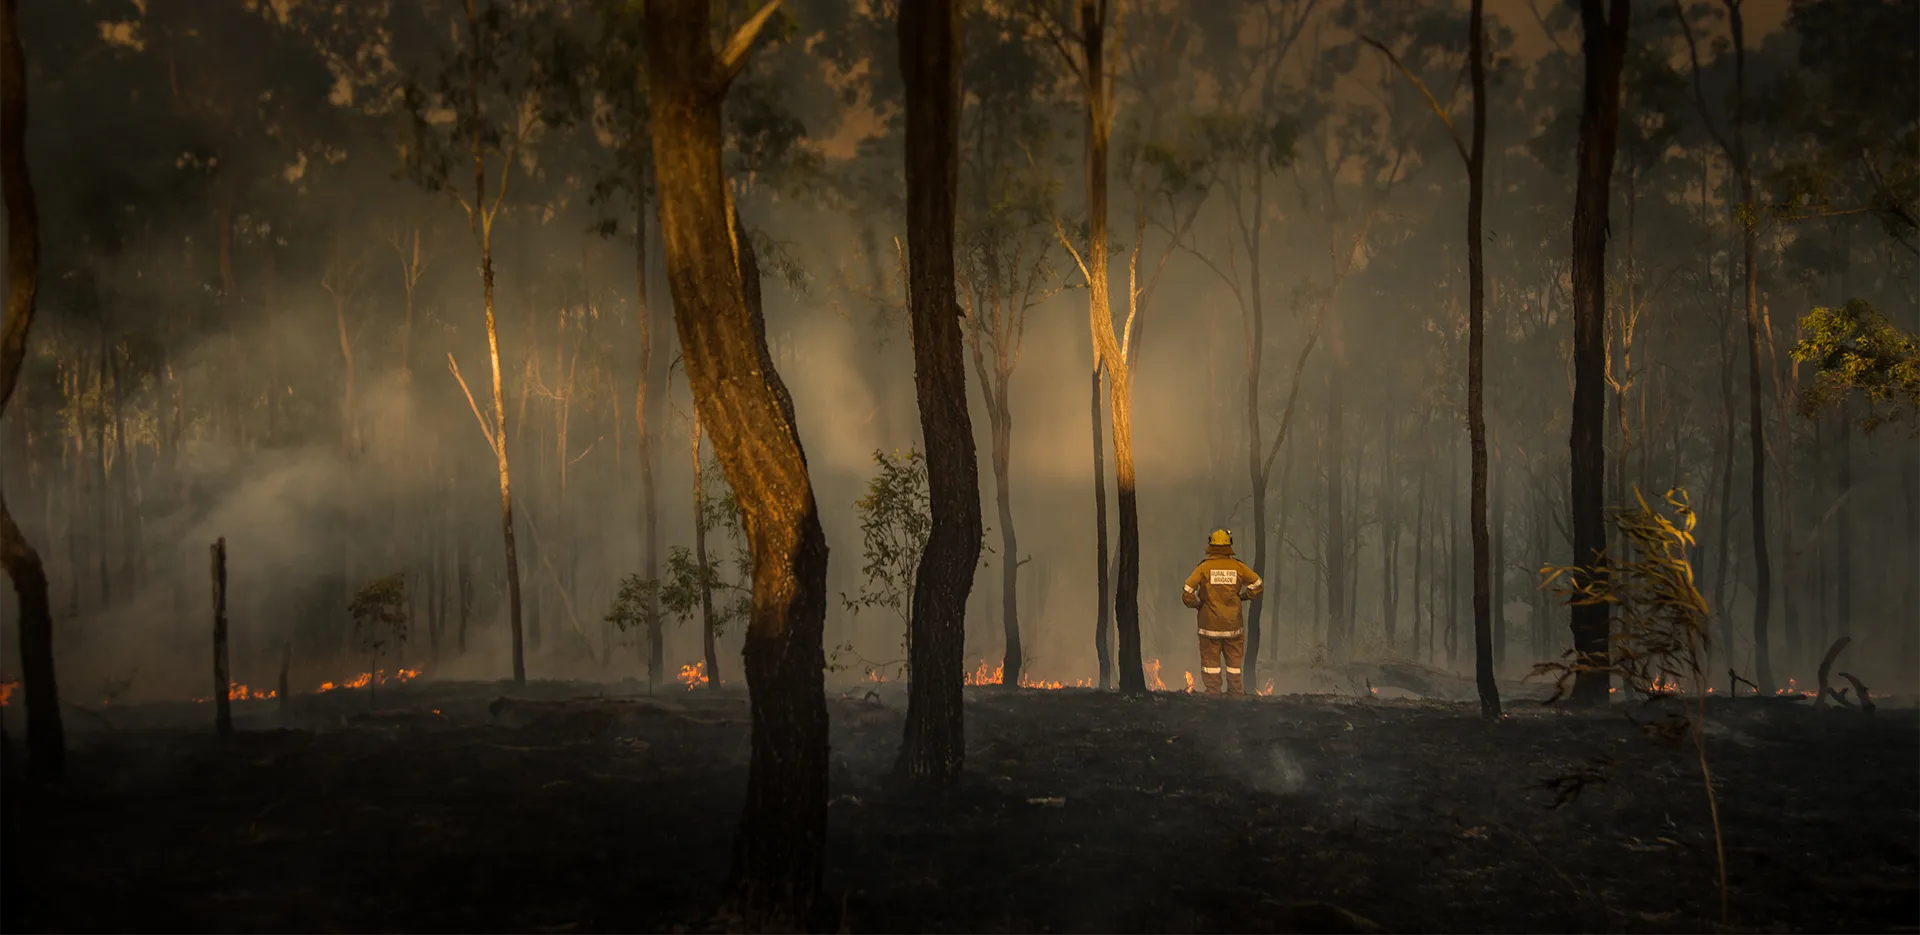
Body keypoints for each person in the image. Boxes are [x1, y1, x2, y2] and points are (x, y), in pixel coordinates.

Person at [1181, 529, 1263, 696]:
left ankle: (1213, 697)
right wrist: (1243, 596)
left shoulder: (1203, 568)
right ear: (1229, 545)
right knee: (1234, 666)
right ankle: (1235, 697)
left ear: (1210, 545)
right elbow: (1258, 584)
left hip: (1209, 626)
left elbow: (1187, 592)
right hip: (1233, 626)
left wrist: (1198, 605)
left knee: (1210, 666)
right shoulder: (1238, 567)